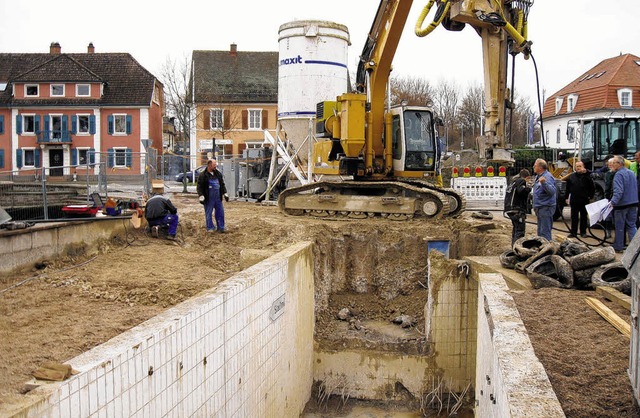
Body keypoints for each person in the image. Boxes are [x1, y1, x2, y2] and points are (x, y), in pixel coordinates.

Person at [609, 155, 638, 252]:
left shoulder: (618, 175)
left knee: (620, 226)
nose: (612, 165)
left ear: (619, 164)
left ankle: (618, 246)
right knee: (632, 225)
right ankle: (635, 248)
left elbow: (618, 191)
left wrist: (612, 202)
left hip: (622, 205)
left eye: (614, 163)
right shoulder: (631, 173)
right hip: (633, 202)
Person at [197, 159, 228, 233]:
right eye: (214, 165)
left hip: (217, 197)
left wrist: (225, 193)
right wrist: (201, 195)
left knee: (220, 212)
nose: (215, 166)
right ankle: (210, 227)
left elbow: (222, 184)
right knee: (208, 213)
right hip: (208, 197)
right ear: (209, 165)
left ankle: (221, 227)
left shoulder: (218, 174)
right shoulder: (203, 175)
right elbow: (199, 186)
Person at [565, 161, 595, 238]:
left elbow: (592, 187)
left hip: (584, 200)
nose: (578, 168)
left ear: (583, 167)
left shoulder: (587, 177)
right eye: (577, 166)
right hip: (574, 200)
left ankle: (583, 232)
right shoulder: (571, 176)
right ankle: (573, 232)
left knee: (583, 217)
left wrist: (590, 196)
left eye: (580, 166)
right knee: (574, 217)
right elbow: (568, 188)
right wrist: (566, 197)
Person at [505, 169, 531, 245]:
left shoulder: (513, 183)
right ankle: (518, 249)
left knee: (516, 229)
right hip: (516, 209)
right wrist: (529, 188)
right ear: (527, 177)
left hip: (509, 209)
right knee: (520, 230)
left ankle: (513, 247)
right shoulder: (521, 181)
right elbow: (521, 191)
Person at [532, 158, 557, 241]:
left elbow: (552, 191)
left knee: (545, 232)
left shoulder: (547, 177)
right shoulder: (538, 177)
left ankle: (547, 250)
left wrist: (544, 183)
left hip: (546, 208)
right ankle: (542, 249)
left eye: (535, 165)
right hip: (540, 208)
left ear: (540, 167)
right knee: (540, 232)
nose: (533, 167)